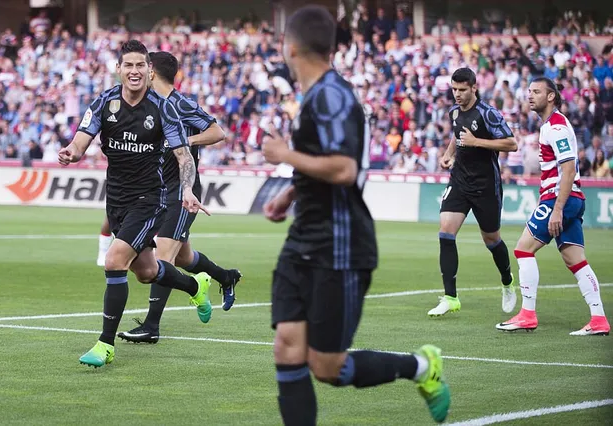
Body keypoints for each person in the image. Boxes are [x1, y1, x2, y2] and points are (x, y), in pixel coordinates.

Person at [261, 6, 450, 425]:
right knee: (287, 347)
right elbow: (329, 161)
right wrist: (291, 193)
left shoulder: (331, 95)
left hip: (340, 245)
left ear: (290, 47)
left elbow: (344, 169)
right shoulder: (318, 95)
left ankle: (421, 367)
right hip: (304, 237)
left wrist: (283, 155)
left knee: (326, 367)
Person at [59, 40, 213, 368]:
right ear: (118, 69)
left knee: (115, 261)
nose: (134, 71)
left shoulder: (163, 108)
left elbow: (183, 155)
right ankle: (194, 284)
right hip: (116, 199)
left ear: (149, 70)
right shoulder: (104, 102)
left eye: (140, 66)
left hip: (150, 198)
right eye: (128, 65)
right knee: (146, 271)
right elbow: (81, 140)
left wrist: (187, 190)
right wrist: (71, 153)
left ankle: (105, 344)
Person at [118, 51, 242, 344]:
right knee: (184, 257)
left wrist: (186, 141)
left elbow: (217, 131)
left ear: (152, 72)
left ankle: (151, 327)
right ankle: (226, 277)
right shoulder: (146, 105)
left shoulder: (180, 103)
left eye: (144, 67)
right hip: (155, 192)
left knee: (163, 254)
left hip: (182, 192)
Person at [496, 78, 610, 336]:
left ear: (551, 96)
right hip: (569, 199)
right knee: (576, 260)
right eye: (529, 92)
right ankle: (599, 319)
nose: (530, 96)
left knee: (523, 249)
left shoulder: (555, 127)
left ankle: (527, 314)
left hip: (561, 199)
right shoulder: (552, 125)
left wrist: (557, 208)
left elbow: (568, 168)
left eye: (536, 92)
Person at [430, 67, 518, 317]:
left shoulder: (488, 113)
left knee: (492, 240)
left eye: (462, 90)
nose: (457, 94)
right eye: (454, 89)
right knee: (446, 232)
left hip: (486, 186)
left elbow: (511, 143)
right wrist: (448, 155)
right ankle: (450, 297)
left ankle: (507, 281)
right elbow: (457, 136)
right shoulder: (454, 112)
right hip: (459, 181)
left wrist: (477, 142)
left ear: (474, 88)